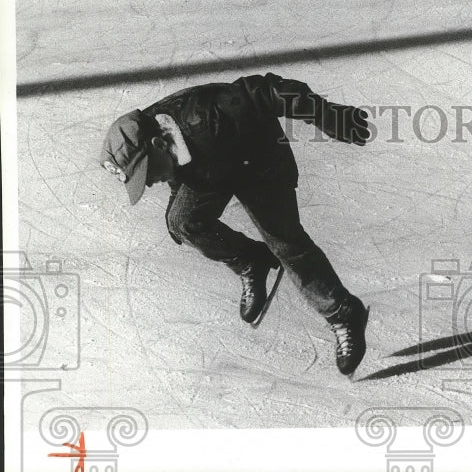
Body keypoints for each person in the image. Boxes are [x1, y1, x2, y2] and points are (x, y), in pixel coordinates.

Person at [100, 72, 371, 376]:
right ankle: (250, 261)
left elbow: (265, 91)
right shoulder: (155, 133)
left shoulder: (208, 114)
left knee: (286, 242)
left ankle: (342, 311)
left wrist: (325, 114)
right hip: (209, 170)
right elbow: (177, 174)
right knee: (181, 222)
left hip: (258, 162)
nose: (148, 184)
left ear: (157, 144)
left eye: (146, 173)